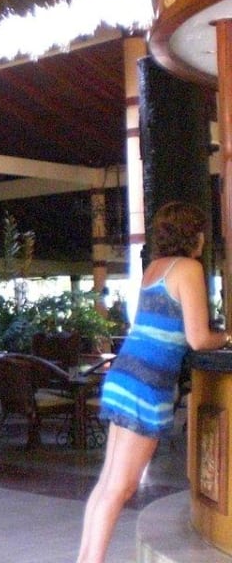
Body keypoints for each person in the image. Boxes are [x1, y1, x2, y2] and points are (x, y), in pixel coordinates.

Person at [76, 201, 230, 563]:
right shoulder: (189, 268)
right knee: (121, 486)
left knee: (108, 483)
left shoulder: (155, 268)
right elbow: (197, 338)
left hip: (125, 375)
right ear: (194, 234)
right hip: (145, 386)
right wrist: (226, 337)